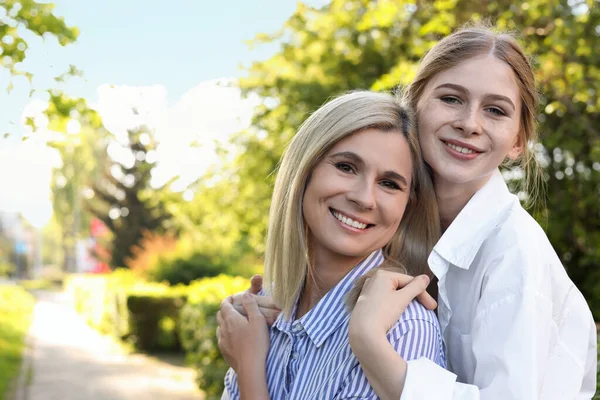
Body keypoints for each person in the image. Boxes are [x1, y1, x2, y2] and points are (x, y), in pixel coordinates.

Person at [232, 26, 597, 399]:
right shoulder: (397, 221)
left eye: (495, 110)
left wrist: (368, 342)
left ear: (518, 141)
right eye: (452, 99)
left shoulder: (515, 256)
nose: (469, 123)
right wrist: (278, 313)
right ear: (414, 104)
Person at [216, 91, 446, 400]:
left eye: (389, 184)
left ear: (408, 206)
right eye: (347, 167)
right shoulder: (267, 309)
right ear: (304, 171)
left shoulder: (404, 330)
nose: (364, 198)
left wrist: (248, 367)